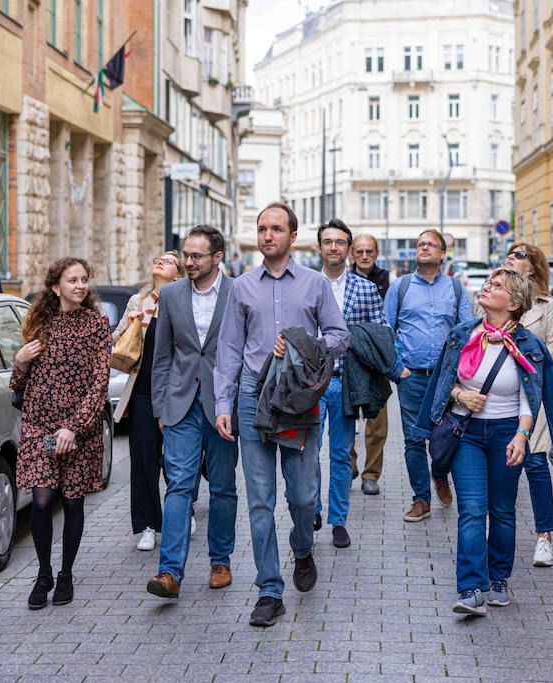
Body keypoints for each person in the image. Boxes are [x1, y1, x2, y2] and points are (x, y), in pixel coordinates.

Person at [214, 202, 350, 627]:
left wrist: (303, 345)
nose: (267, 235)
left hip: (297, 398)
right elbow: (229, 349)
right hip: (253, 396)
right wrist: (223, 404)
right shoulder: (241, 287)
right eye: (262, 229)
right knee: (260, 500)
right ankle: (269, 590)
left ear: (293, 236)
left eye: (276, 229)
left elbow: (340, 336)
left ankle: (303, 547)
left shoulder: (315, 284)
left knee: (303, 496)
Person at [413, 268, 553, 615]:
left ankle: (498, 578)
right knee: (472, 509)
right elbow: (442, 383)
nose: (487, 287)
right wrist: (461, 395)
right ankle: (471, 588)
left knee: (501, 510)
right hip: (465, 433)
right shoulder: (461, 335)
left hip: (507, 433)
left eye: (497, 286)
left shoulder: (530, 345)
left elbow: (531, 398)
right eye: (489, 282)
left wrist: (522, 436)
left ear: (514, 303)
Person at [144, 226, 240, 598]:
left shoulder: (236, 292)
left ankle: (220, 561)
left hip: (223, 405)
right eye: (186, 254)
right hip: (180, 403)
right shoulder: (171, 294)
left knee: (223, 486)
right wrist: (160, 408)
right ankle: (169, 572)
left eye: (197, 255)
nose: (189, 261)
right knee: (179, 485)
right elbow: (162, 355)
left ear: (217, 257)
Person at [13, 257, 111, 610]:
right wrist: (20, 360)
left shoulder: (97, 324)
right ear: (56, 287)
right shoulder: (39, 321)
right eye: (73, 280)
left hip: (78, 431)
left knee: (71, 502)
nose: (80, 286)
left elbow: (100, 384)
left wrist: (74, 426)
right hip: (40, 426)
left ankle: (66, 574)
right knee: (41, 500)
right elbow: (20, 384)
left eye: (84, 279)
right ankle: (44, 574)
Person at [314, 220, 398, 547]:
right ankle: (311, 509)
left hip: (345, 382)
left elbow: (381, 333)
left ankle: (338, 520)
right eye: (327, 242)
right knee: (307, 453)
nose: (333, 247)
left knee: (340, 455)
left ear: (348, 250)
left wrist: (358, 342)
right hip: (309, 383)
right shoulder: (306, 284)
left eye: (340, 242)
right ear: (319, 247)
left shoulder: (365, 289)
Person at [384, 230, 474, 521]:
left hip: (447, 379)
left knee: (448, 434)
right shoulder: (400, 287)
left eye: (430, 244)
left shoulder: (456, 288)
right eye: (420, 244)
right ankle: (421, 499)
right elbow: (386, 331)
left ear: (442, 253)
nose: (424, 247)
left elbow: (467, 332)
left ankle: (440, 474)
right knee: (413, 439)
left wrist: (461, 375)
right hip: (411, 377)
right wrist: (398, 369)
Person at [111, 251, 183, 551]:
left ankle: (183, 511)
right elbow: (115, 342)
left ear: (179, 274)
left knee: (177, 460)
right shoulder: (137, 302)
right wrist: (131, 325)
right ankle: (149, 525)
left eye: (168, 261)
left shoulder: (185, 300)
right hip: (142, 390)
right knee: (143, 460)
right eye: (158, 259)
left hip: (176, 391)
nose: (160, 263)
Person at [503, 241, 553, 567]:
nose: (511, 257)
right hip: (498, 395)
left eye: (519, 254)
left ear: (533, 266)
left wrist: (524, 349)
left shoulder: (546, 305)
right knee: (502, 467)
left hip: (532, 394)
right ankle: (501, 534)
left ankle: (544, 537)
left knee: (536, 465)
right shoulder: (495, 295)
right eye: (510, 253)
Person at [349, 233, 392, 494]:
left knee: (377, 423)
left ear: (376, 253)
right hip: (348, 361)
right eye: (359, 251)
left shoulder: (388, 280)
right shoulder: (343, 279)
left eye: (369, 251)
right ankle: (349, 466)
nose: (364, 256)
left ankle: (371, 475)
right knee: (345, 420)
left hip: (377, 362)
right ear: (352, 254)